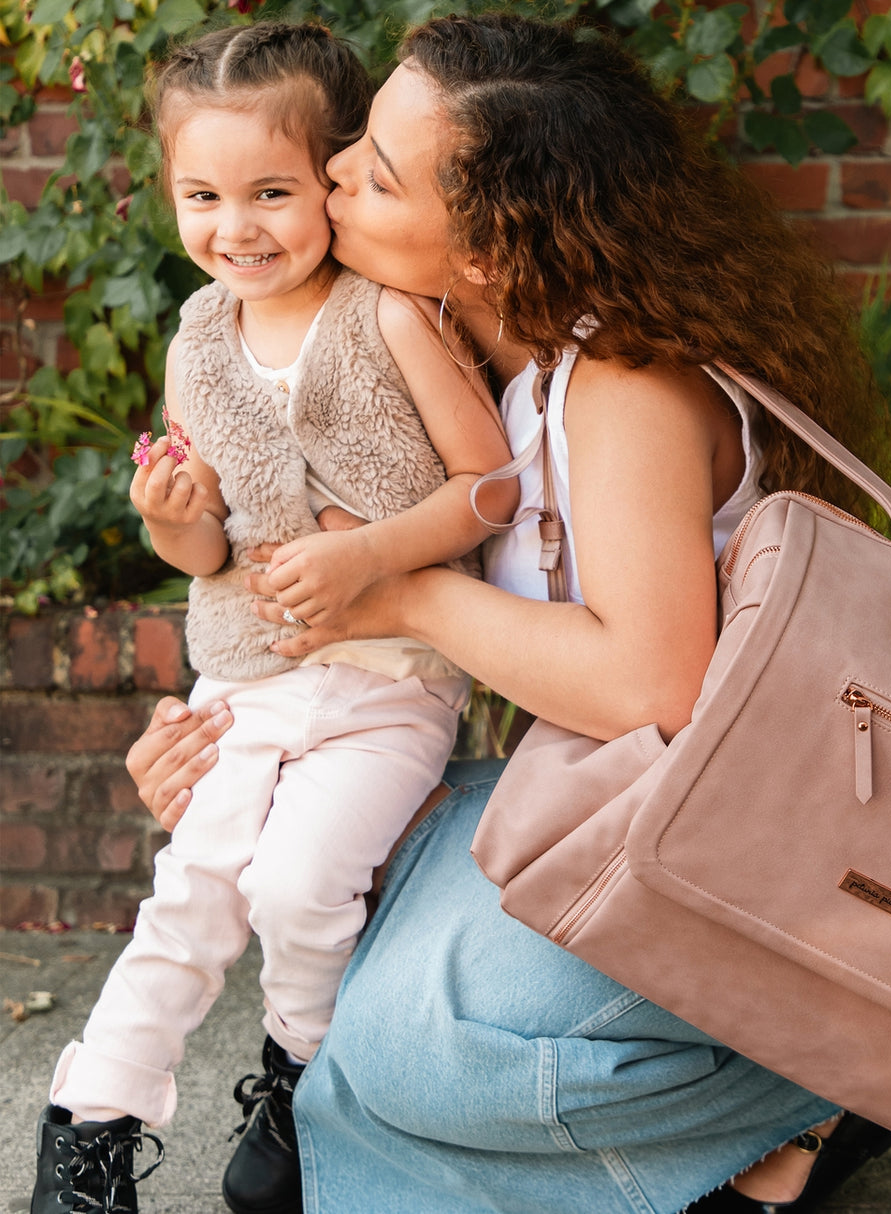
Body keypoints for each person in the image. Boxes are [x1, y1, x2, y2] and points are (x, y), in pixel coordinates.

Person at [117, 12, 891, 1213]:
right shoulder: (487, 363)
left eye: (373, 171)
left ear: (485, 245)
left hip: (736, 855)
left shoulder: (629, 389)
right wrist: (238, 754)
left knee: (404, 1057)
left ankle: (828, 1079)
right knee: (325, 908)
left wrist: (406, 588)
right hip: (619, 809)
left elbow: (652, 690)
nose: (330, 175)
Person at [29, 21, 514, 1214]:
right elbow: (205, 549)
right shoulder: (198, 344)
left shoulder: (385, 317)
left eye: (271, 192)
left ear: (335, 180)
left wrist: (367, 553)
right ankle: (89, 1126)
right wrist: (173, 514)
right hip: (248, 678)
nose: (234, 227)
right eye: (202, 194)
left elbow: (488, 487)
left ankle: (301, 1079)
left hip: (388, 680)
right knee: (193, 888)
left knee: (299, 884)